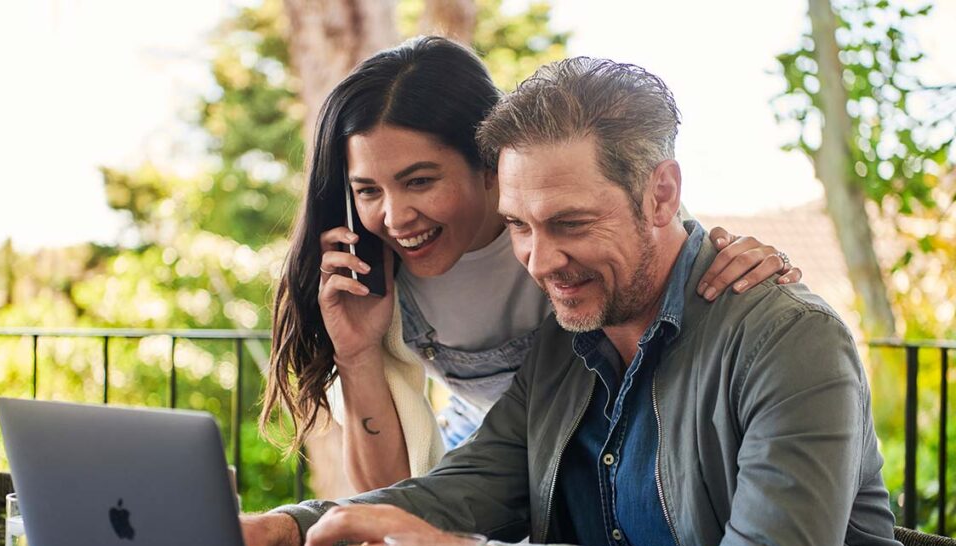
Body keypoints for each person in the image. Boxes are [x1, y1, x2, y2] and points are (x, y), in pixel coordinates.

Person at [241, 57, 949, 546]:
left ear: (662, 194)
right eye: (519, 226)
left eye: (570, 224)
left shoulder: (788, 341)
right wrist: (284, 531)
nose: (542, 263)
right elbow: (460, 491)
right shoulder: (567, 340)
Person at [261, 36, 801, 492]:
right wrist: (356, 355)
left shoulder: (578, 220)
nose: (395, 216)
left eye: (420, 181)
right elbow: (387, 498)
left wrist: (741, 262)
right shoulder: (374, 279)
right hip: (483, 458)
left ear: (490, 163)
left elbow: (673, 249)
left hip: (604, 454)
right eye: (367, 190)